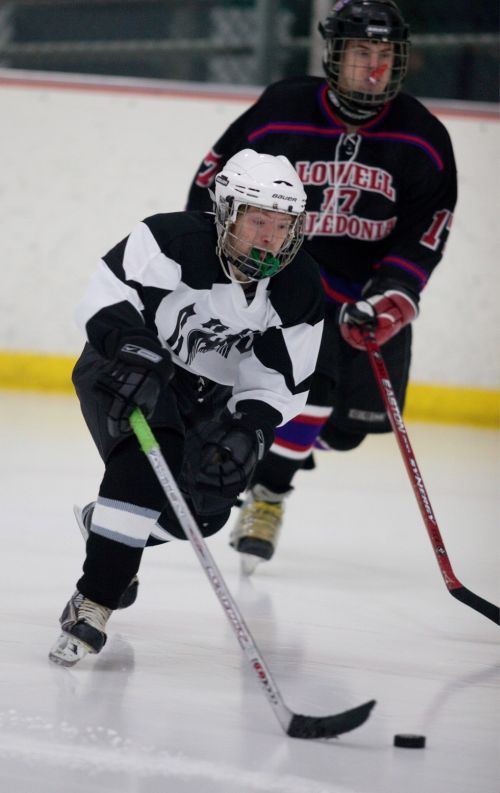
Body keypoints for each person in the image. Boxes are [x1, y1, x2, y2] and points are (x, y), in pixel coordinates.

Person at [186, 0, 457, 573]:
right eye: (362, 53)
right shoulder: (283, 107)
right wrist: (218, 261)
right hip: (279, 275)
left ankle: (265, 459)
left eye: (386, 55)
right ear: (335, 55)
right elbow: (216, 181)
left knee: (348, 428)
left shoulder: (424, 137)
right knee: (307, 390)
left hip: (362, 290)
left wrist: (394, 294)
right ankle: (268, 493)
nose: (375, 69)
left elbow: (425, 232)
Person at [49, 149, 324, 666]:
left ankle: (105, 526)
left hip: (210, 397)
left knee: (207, 511)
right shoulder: (171, 240)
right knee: (143, 470)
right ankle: (94, 601)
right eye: (258, 219)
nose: (269, 237)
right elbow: (107, 298)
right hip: (129, 369)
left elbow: (280, 378)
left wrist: (252, 428)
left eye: (283, 223)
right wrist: (131, 347)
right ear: (226, 211)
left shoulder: (300, 286)